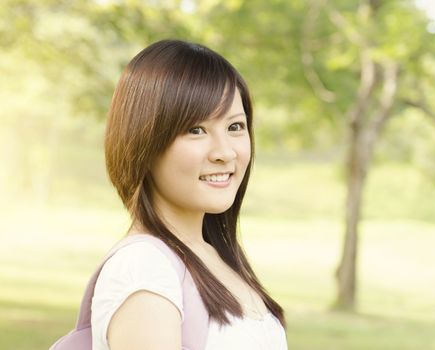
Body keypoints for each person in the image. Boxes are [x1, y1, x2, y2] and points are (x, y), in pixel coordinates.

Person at [91, 39, 288, 350]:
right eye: (196, 130)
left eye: (235, 126)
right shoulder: (145, 269)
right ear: (144, 142)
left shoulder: (214, 256)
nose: (224, 152)